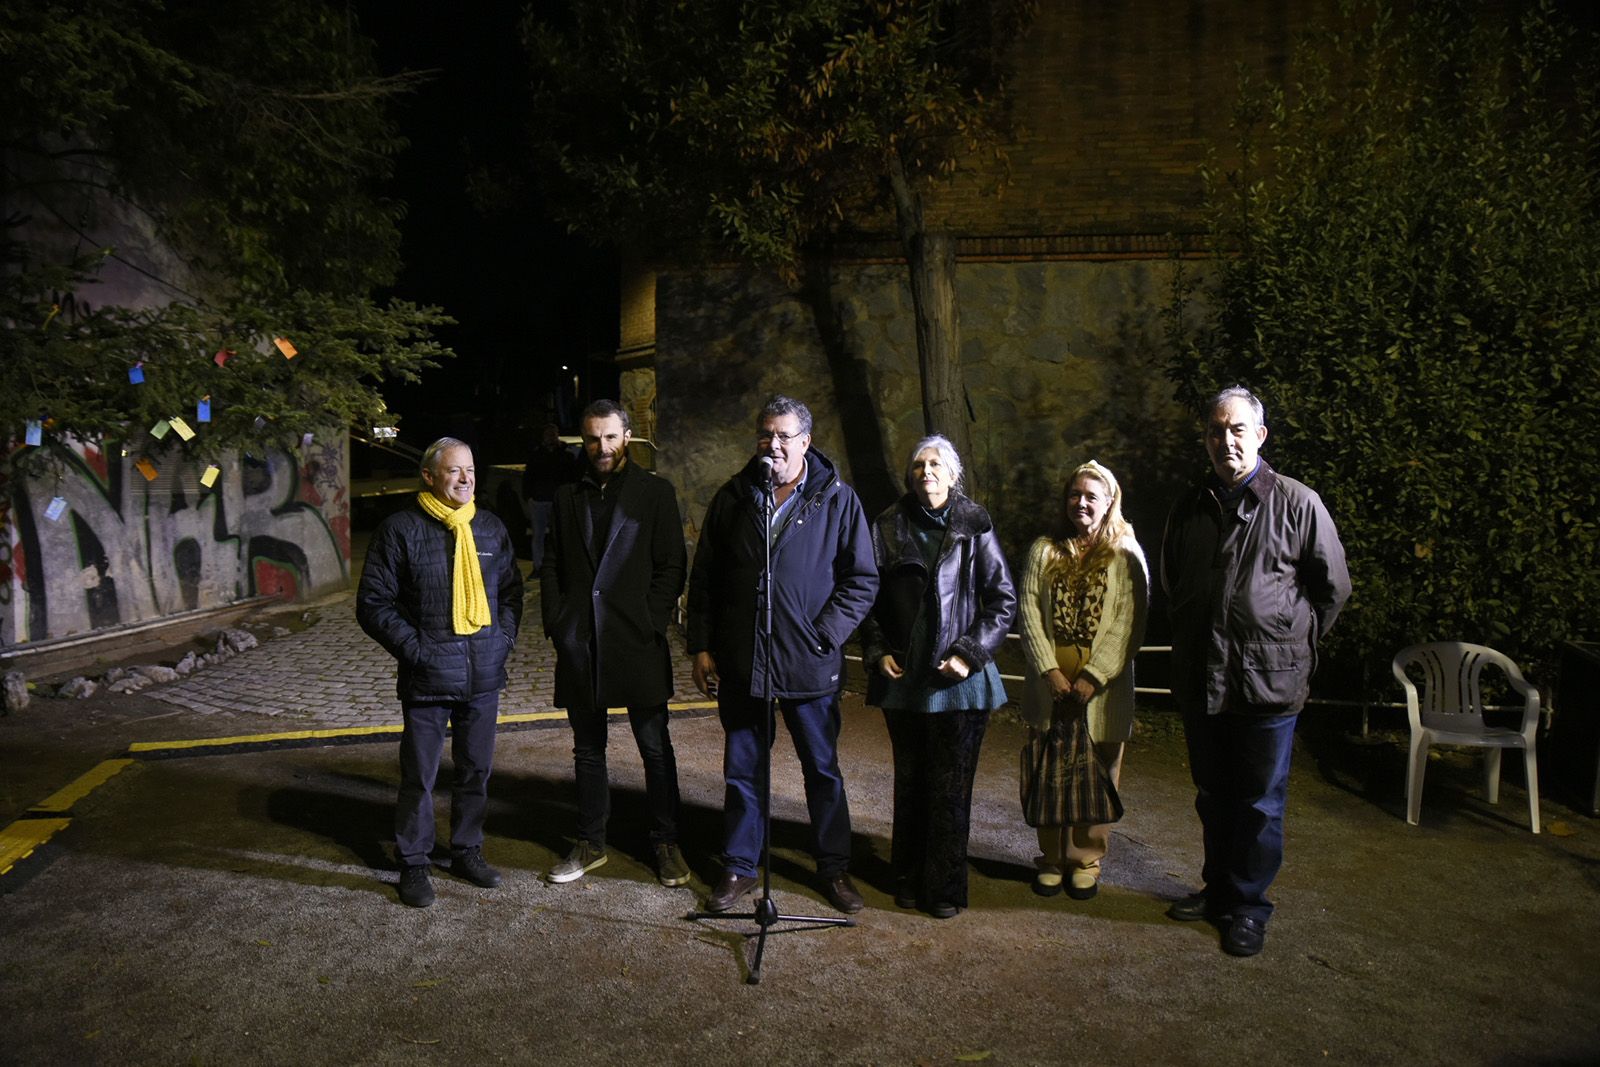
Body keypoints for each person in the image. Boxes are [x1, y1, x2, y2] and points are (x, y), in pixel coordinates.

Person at [1161, 386, 1350, 957]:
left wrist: (1289, 644)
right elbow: (1174, 581)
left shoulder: (1297, 503)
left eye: (1238, 429)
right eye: (1216, 431)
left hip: (1268, 684)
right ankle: (1217, 890)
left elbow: (1332, 589)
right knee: (1212, 795)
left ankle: (1247, 906)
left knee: (1259, 802)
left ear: (1260, 435)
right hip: (1204, 678)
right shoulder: (1191, 504)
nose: (1226, 441)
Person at [687, 394, 879, 915]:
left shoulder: (838, 500)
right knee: (743, 769)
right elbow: (705, 577)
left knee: (822, 770)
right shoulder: (735, 497)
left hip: (808, 661)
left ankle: (834, 868)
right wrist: (702, 645)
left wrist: (826, 635)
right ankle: (740, 866)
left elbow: (861, 580)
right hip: (743, 660)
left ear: (805, 441)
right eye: (765, 435)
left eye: (784, 436)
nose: (773, 445)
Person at [356, 437, 525, 908]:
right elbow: (373, 603)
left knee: (475, 772)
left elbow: (512, 593)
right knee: (420, 777)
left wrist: (502, 642)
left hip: (483, 677)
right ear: (429, 476)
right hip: (428, 679)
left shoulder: (489, 528)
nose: (466, 479)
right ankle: (414, 862)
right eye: (454, 471)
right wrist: (419, 650)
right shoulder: (401, 529)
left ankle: (468, 851)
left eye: (470, 469)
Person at [861, 435, 1015, 919]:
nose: (925, 471)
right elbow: (864, 594)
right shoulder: (887, 525)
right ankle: (906, 877)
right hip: (904, 678)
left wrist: (970, 653)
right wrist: (876, 649)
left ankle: (945, 888)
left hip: (961, 682)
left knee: (950, 789)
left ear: (953, 475)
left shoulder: (975, 524)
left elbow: (1002, 599)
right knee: (911, 784)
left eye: (935, 464)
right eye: (919, 465)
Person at [540, 399, 689, 887]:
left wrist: (651, 619)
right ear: (581, 441)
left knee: (654, 747)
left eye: (609, 437)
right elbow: (554, 566)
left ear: (627, 436)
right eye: (591, 438)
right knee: (587, 750)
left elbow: (672, 565)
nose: (600, 447)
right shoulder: (567, 496)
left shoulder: (654, 492)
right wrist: (558, 625)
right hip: (582, 640)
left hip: (636, 638)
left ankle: (666, 843)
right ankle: (590, 841)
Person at [1017, 460, 1148, 902]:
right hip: (1051, 681)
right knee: (1049, 769)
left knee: (1097, 772)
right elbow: (1029, 613)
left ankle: (1086, 860)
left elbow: (1130, 621)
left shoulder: (1126, 552)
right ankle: (1051, 859)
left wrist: (1095, 676)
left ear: (1110, 501)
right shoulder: (1044, 550)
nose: (1082, 503)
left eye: (1092, 496)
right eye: (1075, 494)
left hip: (1101, 690)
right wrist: (1048, 671)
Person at [523, 421, 576, 568]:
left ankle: (561, 565)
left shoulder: (566, 456)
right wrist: (529, 497)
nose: (551, 437)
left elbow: (572, 478)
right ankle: (539, 566)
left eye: (553, 434)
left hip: (558, 501)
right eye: (548, 434)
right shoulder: (536, 455)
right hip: (539, 501)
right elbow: (528, 477)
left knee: (560, 534)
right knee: (538, 535)